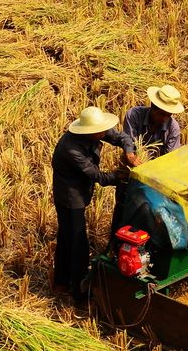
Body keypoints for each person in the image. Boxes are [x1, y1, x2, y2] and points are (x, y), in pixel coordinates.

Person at [52, 106, 137, 301]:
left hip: (80, 192)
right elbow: (98, 176)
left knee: (66, 236)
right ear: (89, 132)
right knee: (78, 242)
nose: (105, 133)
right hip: (69, 197)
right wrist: (122, 175)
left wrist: (130, 154)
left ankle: (61, 282)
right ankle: (79, 291)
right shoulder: (71, 149)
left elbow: (122, 138)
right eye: (101, 130)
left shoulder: (94, 132)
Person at [112, 85, 184, 237]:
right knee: (123, 207)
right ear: (153, 106)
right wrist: (131, 157)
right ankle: (116, 243)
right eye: (162, 114)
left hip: (156, 177)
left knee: (149, 212)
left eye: (168, 115)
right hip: (130, 171)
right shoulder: (134, 115)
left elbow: (170, 159)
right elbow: (128, 143)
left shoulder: (173, 128)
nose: (165, 118)